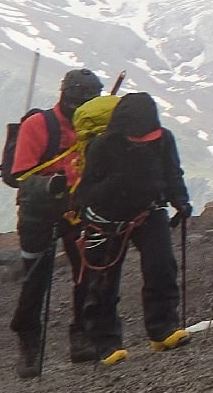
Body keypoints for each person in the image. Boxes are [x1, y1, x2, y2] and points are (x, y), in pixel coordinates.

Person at [63, 90, 190, 361]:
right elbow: (86, 193)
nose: (145, 142)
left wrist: (181, 201)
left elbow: (171, 172)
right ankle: (105, 343)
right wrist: (116, 184)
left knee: (161, 266)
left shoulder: (164, 139)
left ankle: (163, 329)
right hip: (105, 220)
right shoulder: (101, 146)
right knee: (103, 282)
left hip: (149, 211)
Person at [9, 67, 101, 376]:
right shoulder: (38, 125)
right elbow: (22, 174)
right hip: (39, 212)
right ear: (64, 95)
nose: (80, 107)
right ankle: (29, 343)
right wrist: (53, 184)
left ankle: (83, 335)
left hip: (77, 208)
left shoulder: (94, 125)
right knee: (36, 276)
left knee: (87, 270)